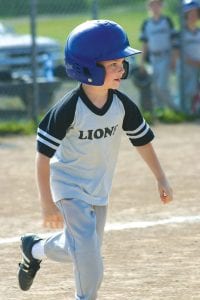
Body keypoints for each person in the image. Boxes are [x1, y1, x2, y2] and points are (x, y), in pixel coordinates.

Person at [17, 19, 173, 300]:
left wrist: (160, 177)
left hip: (98, 190)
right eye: (112, 63)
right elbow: (42, 157)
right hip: (69, 187)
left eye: (121, 63)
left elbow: (142, 140)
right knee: (90, 259)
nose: (121, 68)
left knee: (76, 248)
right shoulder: (68, 108)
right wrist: (47, 203)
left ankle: (35, 248)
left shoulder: (121, 105)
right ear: (87, 67)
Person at [139, 0, 176, 110]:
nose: (155, 7)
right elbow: (145, 44)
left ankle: (174, 108)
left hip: (166, 56)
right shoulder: (146, 23)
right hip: (153, 59)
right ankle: (161, 111)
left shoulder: (167, 21)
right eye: (153, 4)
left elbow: (174, 41)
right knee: (155, 87)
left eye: (158, 4)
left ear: (161, 6)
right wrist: (141, 62)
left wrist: (174, 58)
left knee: (162, 86)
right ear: (149, 7)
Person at [175, 0, 200, 114]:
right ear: (185, 15)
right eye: (190, 13)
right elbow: (178, 51)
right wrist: (191, 61)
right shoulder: (181, 32)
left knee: (194, 91)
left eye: (195, 13)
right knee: (185, 91)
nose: (193, 16)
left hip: (197, 66)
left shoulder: (198, 32)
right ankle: (184, 113)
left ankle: (192, 112)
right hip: (185, 67)